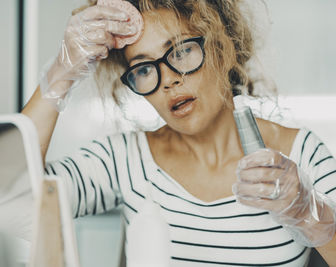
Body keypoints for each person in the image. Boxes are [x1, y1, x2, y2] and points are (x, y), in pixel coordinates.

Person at [22, 0, 336, 265]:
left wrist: (309, 212)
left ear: (222, 49)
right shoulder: (125, 159)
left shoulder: (300, 154)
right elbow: (11, 200)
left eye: (182, 51)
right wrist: (61, 74)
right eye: (144, 69)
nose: (169, 79)